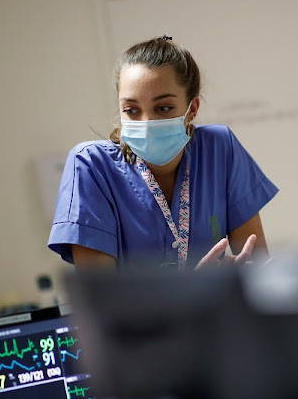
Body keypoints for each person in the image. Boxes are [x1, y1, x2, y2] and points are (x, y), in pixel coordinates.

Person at [48, 36, 278, 269]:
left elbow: (259, 269)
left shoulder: (219, 148)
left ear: (192, 109)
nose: (147, 122)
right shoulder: (90, 165)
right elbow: (100, 297)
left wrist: (242, 281)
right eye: (131, 110)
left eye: (163, 108)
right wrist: (190, 292)